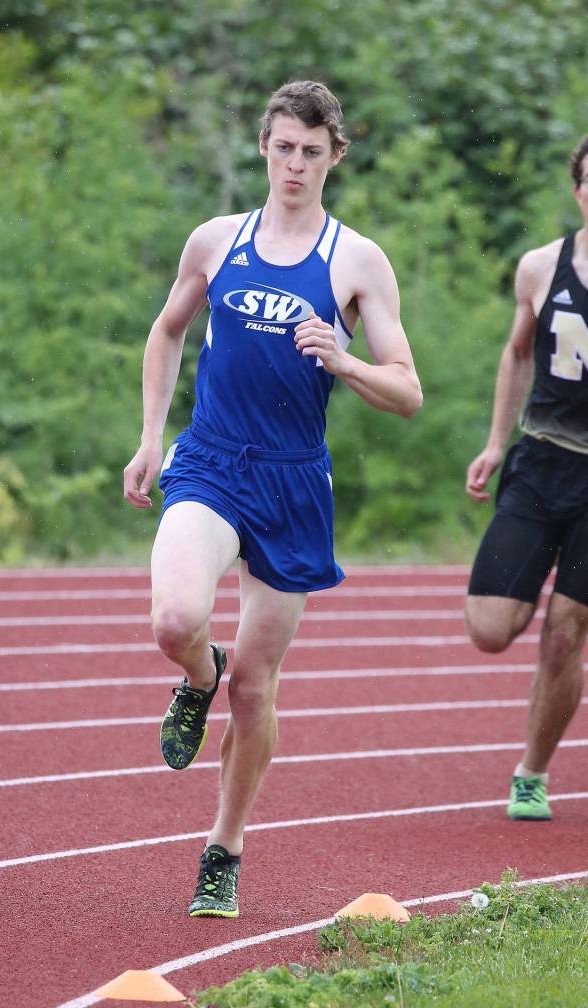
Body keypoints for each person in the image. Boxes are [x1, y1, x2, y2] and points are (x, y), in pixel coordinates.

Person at [123, 80, 422, 917]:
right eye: (283, 147)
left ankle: (224, 847)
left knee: (256, 689)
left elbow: (407, 392)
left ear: (335, 156)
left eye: (311, 151)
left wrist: (345, 359)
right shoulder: (217, 240)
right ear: (264, 146)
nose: (295, 164)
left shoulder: (355, 260)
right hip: (211, 460)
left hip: (293, 482)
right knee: (174, 620)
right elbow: (167, 328)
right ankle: (195, 673)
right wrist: (151, 437)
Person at [465, 134, 588, 821]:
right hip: (541, 459)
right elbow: (515, 356)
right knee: (488, 627)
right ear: (577, 190)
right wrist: (491, 443)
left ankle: (531, 773)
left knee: (566, 630)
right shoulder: (541, 267)